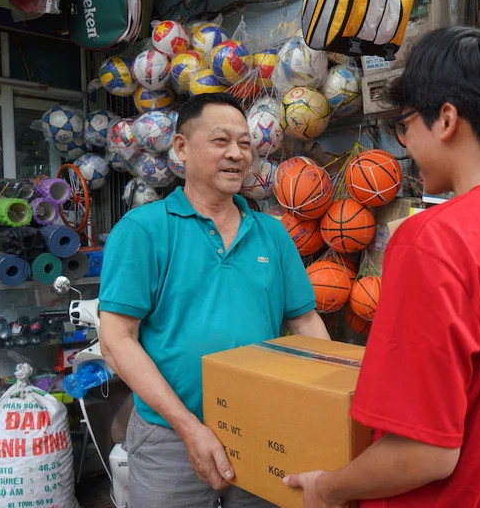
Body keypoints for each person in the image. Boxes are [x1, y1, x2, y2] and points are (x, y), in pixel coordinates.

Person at [284, 25, 480, 507]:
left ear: (446, 119)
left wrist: (328, 487)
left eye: (405, 125)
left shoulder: (435, 239)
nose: (405, 143)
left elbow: (425, 452)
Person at [98, 92, 330, 508]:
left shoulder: (272, 234)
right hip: (168, 435)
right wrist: (189, 428)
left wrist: (325, 406)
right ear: (182, 148)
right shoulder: (143, 229)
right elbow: (117, 341)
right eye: (221, 141)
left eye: (245, 144)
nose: (237, 155)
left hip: (262, 430)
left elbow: (306, 322)